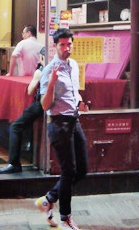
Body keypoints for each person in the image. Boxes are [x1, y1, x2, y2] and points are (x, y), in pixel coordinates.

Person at [35, 28, 88, 230]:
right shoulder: (49, 70)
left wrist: (80, 102)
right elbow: (44, 105)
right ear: (55, 46)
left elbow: (75, 91)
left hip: (74, 121)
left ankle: (48, 199)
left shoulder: (73, 65)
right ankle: (65, 218)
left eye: (69, 44)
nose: (67, 48)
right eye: (62, 45)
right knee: (68, 171)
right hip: (59, 124)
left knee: (82, 169)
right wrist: (51, 84)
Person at [0, 62, 44, 174]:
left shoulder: (41, 71)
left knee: (16, 126)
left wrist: (37, 76)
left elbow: (30, 91)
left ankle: (14, 163)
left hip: (41, 104)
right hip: (57, 105)